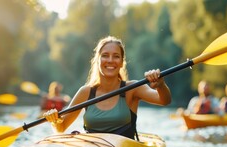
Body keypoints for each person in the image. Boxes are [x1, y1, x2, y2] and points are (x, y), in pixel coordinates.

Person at [43, 36, 171, 140]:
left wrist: (160, 85)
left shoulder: (132, 88)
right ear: (97, 60)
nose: (110, 60)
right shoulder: (86, 92)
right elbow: (61, 127)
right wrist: (54, 120)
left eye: (116, 56)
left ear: (121, 62)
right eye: (105, 55)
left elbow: (164, 100)